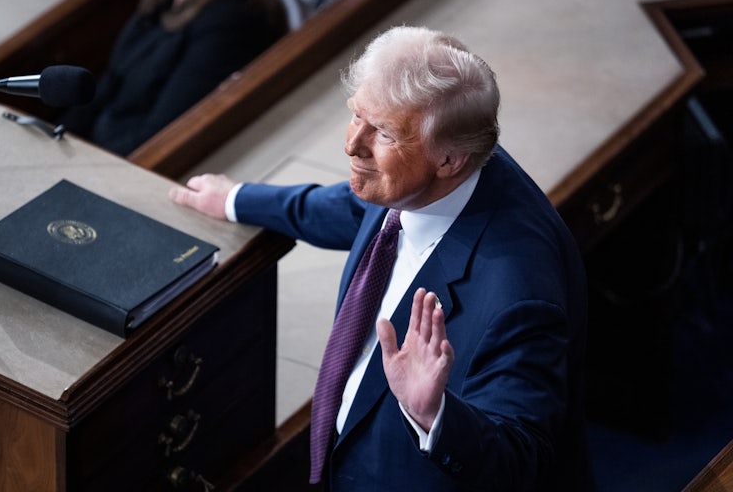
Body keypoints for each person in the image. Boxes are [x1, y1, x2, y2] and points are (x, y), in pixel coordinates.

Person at [169, 25, 594, 491]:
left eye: (384, 133)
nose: (352, 144)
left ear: (449, 160)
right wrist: (236, 199)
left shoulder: (518, 294)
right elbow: (357, 205)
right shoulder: (436, 168)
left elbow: (521, 461)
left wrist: (434, 415)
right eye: (357, 116)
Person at [57, 0, 287, 156]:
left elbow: (163, 130)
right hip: (97, 146)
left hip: (128, 162)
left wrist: (87, 164)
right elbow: (111, 82)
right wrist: (58, 136)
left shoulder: (237, 13)